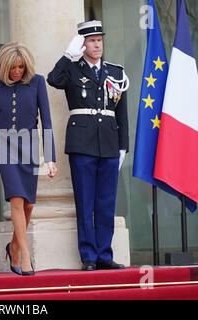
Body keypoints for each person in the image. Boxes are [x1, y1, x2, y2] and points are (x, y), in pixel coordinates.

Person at [47, 21, 129, 271]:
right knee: (85, 202)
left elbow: (121, 113)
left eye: (99, 40)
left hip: (108, 142)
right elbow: (53, 79)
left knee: (106, 202)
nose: (97, 44)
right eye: (92, 40)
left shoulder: (116, 72)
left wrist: (123, 145)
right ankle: (89, 256)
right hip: (82, 143)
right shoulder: (71, 69)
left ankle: (105, 254)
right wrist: (67, 56)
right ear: (82, 44)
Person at [0, 42, 57, 276]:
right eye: (12, 68)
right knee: (16, 200)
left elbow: (46, 122)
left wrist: (51, 158)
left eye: (20, 67)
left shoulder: (37, 82)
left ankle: (13, 246)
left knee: (28, 204)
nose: (16, 71)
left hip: (29, 145)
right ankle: (25, 255)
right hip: (3, 145)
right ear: (4, 67)